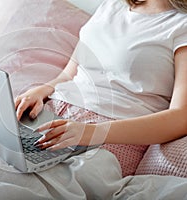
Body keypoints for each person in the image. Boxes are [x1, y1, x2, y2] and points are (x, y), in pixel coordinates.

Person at [14, 0, 187, 173]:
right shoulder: (111, 5)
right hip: (53, 114)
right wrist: (41, 90)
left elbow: (180, 117)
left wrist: (91, 133)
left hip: (110, 137)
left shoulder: (181, 25)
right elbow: (70, 73)